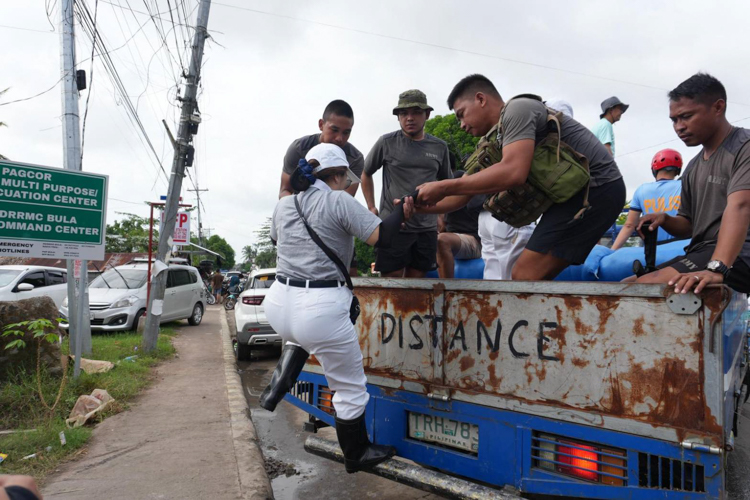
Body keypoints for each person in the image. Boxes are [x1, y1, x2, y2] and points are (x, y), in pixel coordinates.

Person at [262, 143, 414, 473]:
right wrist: (402, 209)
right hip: (318, 308)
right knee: (348, 387)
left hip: (278, 303)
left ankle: (275, 388)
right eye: (346, 177)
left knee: (301, 334)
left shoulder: (284, 204)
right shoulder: (338, 200)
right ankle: (356, 453)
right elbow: (382, 237)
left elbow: (277, 240)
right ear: (339, 175)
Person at [414, 74, 626, 280]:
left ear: (480, 99)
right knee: (526, 275)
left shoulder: (518, 109)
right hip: (570, 197)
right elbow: (464, 195)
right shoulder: (493, 140)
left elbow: (514, 172)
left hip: (598, 189)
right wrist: (418, 207)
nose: (461, 124)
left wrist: (443, 186)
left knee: (525, 274)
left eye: (461, 114)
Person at [634, 73, 750, 294]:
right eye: (674, 120)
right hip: (703, 251)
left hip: (740, 253)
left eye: (686, 116)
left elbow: (741, 206)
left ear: (718, 108)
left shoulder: (744, 147)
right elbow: (688, 224)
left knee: (640, 290)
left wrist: (718, 268)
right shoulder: (693, 166)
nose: (679, 127)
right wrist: (664, 219)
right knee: (624, 285)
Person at [361, 89, 452, 277]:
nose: (409, 118)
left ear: (427, 114)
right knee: (392, 283)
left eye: (416, 112)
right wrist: (371, 207)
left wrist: (441, 215)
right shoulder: (386, 142)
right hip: (394, 226)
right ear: (398, 117)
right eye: (404, 113)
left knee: (417, 284)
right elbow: (365, 172)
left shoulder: (439, 147)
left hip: (426, 228)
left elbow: (446, 184)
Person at [280, 99, 363, 276]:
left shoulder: (355, 158)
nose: (339, 138)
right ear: (321, 124)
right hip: (299, 222)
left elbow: (344, 200)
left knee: (351, 275)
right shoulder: (298, 149)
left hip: (334, 225)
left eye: (346, 133)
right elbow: (284, 191)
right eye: (334, 130)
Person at [611, 148, 683, 250]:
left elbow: (629, 225)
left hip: (654, 249)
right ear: (677, 170)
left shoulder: (642, 190)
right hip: (683, 246)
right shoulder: (685, 186)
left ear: (654, 169)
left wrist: (612, 251)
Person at [436, 171, 483, 278]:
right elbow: (442, 224)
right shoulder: (445, 191)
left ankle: (446, 290)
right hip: (455, 238)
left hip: (475, 240)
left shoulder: (473, 190)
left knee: (442, 240)